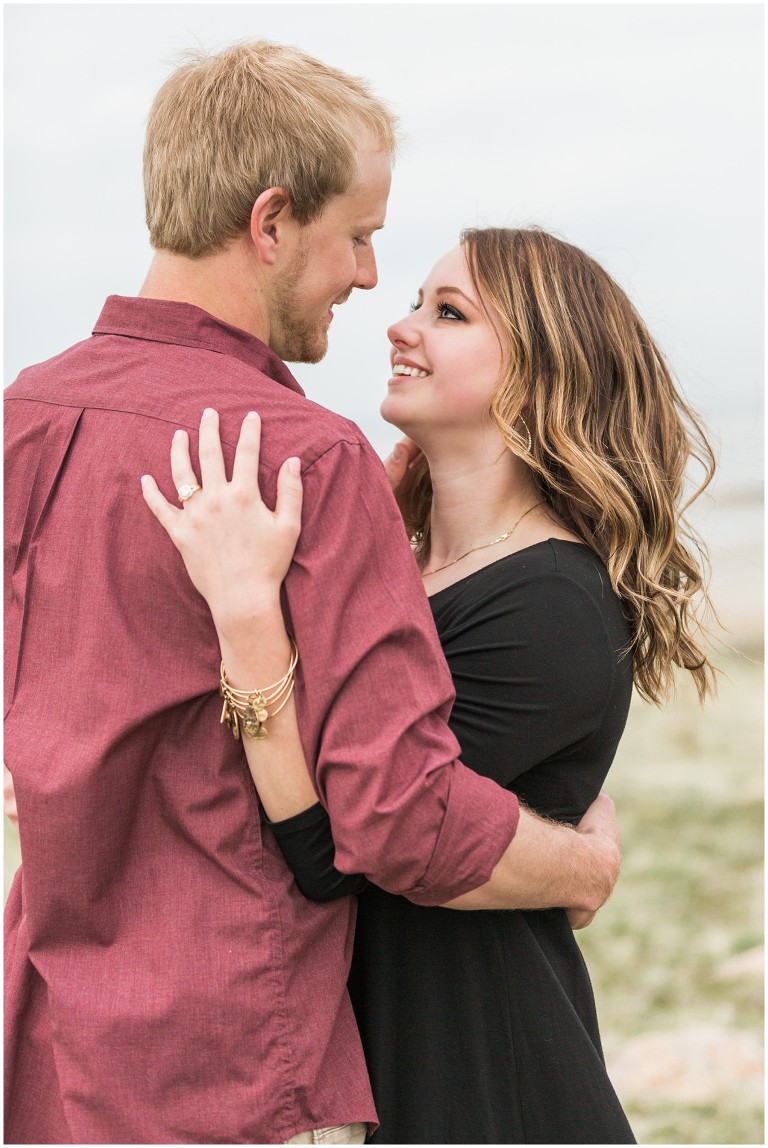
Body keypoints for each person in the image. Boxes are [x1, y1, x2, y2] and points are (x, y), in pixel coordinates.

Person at [4, 42, 622, 1145]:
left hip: (47, 1037)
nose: (369, 278)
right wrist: (575, 858)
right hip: (230, 1053)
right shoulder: (304, 458)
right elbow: (397, 815)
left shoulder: (29, 417)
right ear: (272, 221)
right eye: (360, 236)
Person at [141, 227, 716, 1143]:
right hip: (380, 1059)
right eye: (416, 302)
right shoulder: (408, 575)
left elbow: (337, 848)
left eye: (447, 314)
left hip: (482, 1076)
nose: (400, 328)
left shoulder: (551, 603)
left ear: (540, 369)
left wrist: (248, 612)